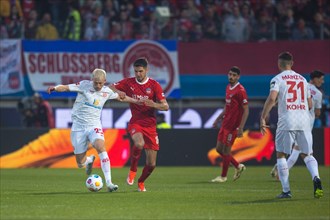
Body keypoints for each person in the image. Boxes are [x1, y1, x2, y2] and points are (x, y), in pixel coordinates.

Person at [46, 68, 138, 192]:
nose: (98, 85)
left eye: (101, 83)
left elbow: (122, 98)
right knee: (80, 163)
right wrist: (55, 88)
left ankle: (109, 183)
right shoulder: (84, 85)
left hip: (94, 125)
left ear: (105, 81)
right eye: (96, 83)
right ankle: (89, 160)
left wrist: (137, 101)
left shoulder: (107, 91)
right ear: (92, 80)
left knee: (101, 146)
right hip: (78, 127)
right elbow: (66, 87)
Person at [260, 52, 323, 199]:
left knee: (281, 154)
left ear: (279, 64)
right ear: (292, 63)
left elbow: (272, 98)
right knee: (307, 154)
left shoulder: (277, 79)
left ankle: (286, 190)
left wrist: (263, 117)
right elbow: (309, 104)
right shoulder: (303, 80)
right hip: (304, 120)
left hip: (287, 119)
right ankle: (316, 178)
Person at [110, 58, 169, 192]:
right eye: (136, 71)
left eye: (141, 71)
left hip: (151, 126)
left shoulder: (154, 85)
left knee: (152, 164)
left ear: (147, 70)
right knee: (139, 144)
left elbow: (165, 106)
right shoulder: (128, 82)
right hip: (135, 122)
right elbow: (109, 87)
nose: (138, 74)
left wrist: (153, 104)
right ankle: (133, 169)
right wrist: (118, 91)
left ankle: (141, 182)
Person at [270, 70, 325, 179]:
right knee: (300, 152)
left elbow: (282, 99)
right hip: (305, 125)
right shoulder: (318, 94)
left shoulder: (299, 85)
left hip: (291, 120)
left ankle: (279, 168)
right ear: (314, 78)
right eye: (320, 79)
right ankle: (280, 173)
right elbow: (317, 113)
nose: (322, 82)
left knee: (287, 151)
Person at [211, 66, 249, 183]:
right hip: (225, 124)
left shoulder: (240, 91)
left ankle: (223, 177)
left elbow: (246, 110)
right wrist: (217, 118)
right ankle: (238, 166)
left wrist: (241, 128)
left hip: (233, 127)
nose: (231, 77)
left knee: (226, 151)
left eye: (234, 75)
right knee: (218, 149)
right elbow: (227, 106)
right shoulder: (228, 87)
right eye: (230, 74)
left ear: (238, 77)